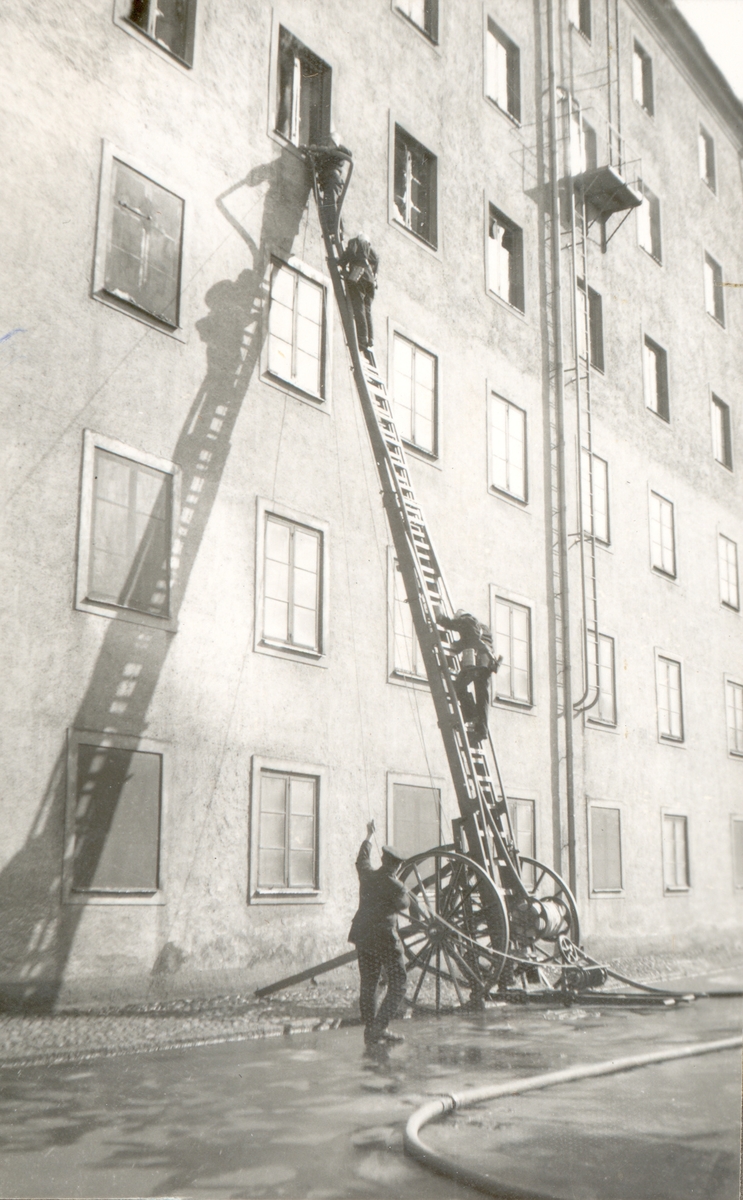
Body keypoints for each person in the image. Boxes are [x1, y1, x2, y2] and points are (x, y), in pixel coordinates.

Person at [348, 820, 409, 1046]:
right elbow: (404, 905)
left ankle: (370, 1029)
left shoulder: (367, 875)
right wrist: (397, 882)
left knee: (369, 982)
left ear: (383, 861)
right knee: (400, 982)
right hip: (384, 938)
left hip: (363, 935)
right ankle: (379, 1027)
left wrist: (369, 835)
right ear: (398, 867)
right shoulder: (397, 886)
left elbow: (361, 859)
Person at [436, 608, 502, 744]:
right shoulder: (484, 628)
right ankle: (481, 731)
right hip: (486, 666)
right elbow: (471, 639)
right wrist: (457, 645)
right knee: (482, 698)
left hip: (476, 664)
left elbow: (456, 626)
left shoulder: (467, 620)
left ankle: (470, 714)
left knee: (458, 686)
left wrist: (440, 618)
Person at [339, 233, 379, 357]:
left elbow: (350, 252)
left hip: (359, 274)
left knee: (359, 306)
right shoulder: (370, 250)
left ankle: (362, 340)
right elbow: (376, 260)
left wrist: (341, 263)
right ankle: (370, 339)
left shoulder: (356, 242)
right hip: (371, 281)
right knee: (367, 310)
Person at [308, 133, 352, 227]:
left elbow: (349, 153)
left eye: (330, 142)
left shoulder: (338, 154)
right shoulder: (325, 155)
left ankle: (336, 226)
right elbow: (318, 161)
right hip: (326, 181)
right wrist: (312, 150)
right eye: (327, 142)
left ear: (334, 143)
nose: (328, 144)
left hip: (333, 179)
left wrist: (336, 149)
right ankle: (331, 225)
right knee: (327, 203)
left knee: (331, 202)